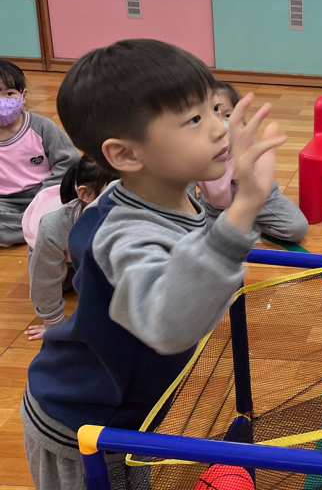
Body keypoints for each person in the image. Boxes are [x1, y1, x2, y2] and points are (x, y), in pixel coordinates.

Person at [21, 39, 286, 489]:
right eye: (194, 119)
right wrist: (245, 206)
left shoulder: (169, 191)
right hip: (82, 426)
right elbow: (170, 325)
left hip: (133, 417)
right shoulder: (124, 234)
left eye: (215, 110)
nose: (220, 128)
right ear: (126, 155)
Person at [198, 81, 307, 243]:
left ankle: (245, 221)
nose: (220, 125)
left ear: (240, 119)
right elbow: (184, 192)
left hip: (258, 202)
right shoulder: (195, 153)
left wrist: (250, 208)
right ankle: (236, 222)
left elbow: (260, 188)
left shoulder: (249, 149)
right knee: (200, 233)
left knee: (297, 228)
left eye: (227, 116)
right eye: (212, 115)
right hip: (214, 208)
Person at [24, 155, 117, 340]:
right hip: (60, 260)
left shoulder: (129, 212)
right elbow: (44, 278)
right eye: (118, 190)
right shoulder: (55, 225)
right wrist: (54, 325)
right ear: (87, 194)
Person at [0, 59, 78, 246]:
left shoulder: (42, 127)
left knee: (66, 207)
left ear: (23, 95)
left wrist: (45, 193)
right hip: (5, 203)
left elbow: (69, 161)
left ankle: (37, 226)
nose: (2, 101)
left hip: (44, 195)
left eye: (9, 93)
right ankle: (35, 228)